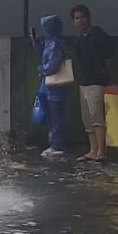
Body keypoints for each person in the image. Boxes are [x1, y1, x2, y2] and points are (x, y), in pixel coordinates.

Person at [71, 4, 114, 162]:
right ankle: (92, 149)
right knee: (87, 119)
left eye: (82, 17)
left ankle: (101, 152)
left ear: (88, 18)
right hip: (84, 83)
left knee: (97, 118)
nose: (80, 21)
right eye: (77, 18)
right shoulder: (79, 40)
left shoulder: (98, 34)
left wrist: (106, 74)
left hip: (97, 82)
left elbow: (109, 54)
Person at [34, 15, 68, 159]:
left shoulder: (54, 44)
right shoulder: (50, 42)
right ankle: (53, 143)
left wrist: (41, 69)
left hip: (54, 87)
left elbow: (53, 64)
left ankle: (57, 145)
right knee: (51, 116)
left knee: (56, 116)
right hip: (48, 87)